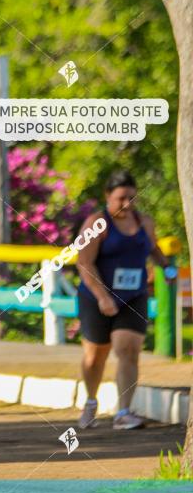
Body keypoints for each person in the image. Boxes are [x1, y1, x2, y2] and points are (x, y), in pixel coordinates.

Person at [76, 171, 174, 430]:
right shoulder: (96, 223)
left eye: (132, 197)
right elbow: (84, 263)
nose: (127, 204)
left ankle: (123, 411)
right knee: (95, 356)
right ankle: (90, 402)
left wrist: (166, 266)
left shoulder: (145, 222)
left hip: (134, 295)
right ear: (108, 196)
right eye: (121, 198)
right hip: (96, 297)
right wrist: (102, 296)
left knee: (128, 349)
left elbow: (152, 247)